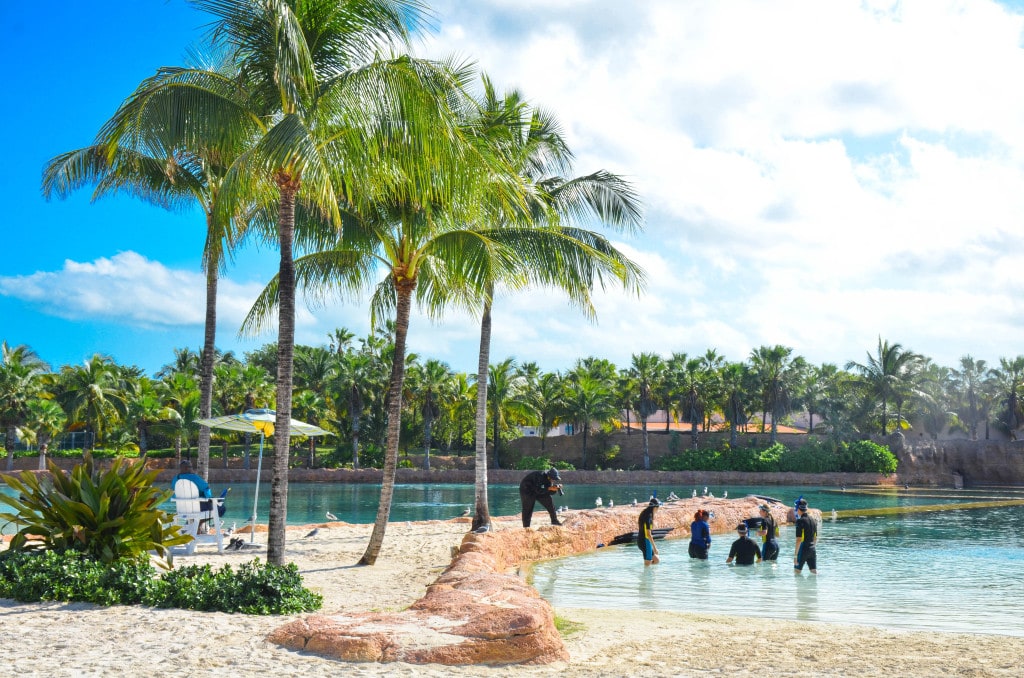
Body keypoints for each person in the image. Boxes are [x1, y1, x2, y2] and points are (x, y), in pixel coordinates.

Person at [793, 499, 818, 574]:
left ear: (798, 508)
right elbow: (815, 538)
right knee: (813, 572)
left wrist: (795, 556)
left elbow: (799, 539)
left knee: (797, 572)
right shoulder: (813, 520)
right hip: (812, 549)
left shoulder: (800, 521)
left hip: (803, 548)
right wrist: (812, 548)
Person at [637, 498, 661, 565]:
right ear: (655, 507)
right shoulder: (649, 517)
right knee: (647, 566)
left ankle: (651, 575)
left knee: (656, 560)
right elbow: (648, 534)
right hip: (645, 542)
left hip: (641, 540)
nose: (658, 510)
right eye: (658, 507)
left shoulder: (644, 513)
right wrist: (655, 548)